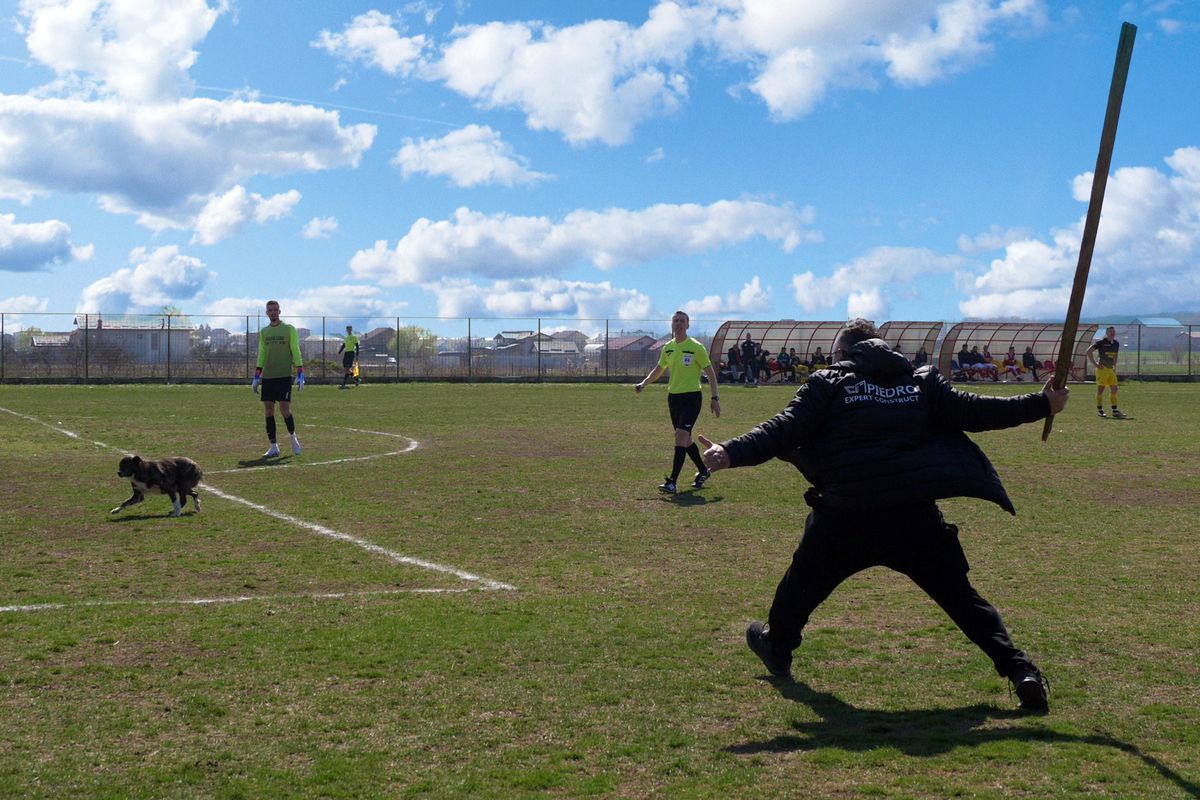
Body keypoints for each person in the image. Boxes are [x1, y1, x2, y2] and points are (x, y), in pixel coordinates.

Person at [695, 318, 1068, 711]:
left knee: (801, 582)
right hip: (912, 514)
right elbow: (977, 411)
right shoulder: (921, 383)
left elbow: (785, 428)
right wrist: (1040, 403)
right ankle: (1019, 670)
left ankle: (778, 647)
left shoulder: (829, 382)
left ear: (843, 353)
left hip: (847, 514)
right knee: (961, 598)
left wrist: (731, 451)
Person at [636, 311, 721, 493]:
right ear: (671, 325)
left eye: (682, 321)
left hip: (692, 398)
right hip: (673, 398)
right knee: (686, 439)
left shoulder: (696, 347)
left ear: (688, 325)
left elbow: (711, 373)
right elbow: (659, 369)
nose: (679, 323)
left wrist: (715, 398)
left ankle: (672, 482)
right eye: (676, 321)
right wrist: (644, 383)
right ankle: (703, 471)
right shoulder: (668, 347)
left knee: (680, 436)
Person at [252, 300, 304, 457]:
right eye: (270, 310)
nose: (273, 312)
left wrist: (300, 372)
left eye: (275, 310)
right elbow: (262, 353)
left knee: (284, 409)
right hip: (268, 377)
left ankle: (293, 438)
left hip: (283, 376)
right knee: (268, 410)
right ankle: (274, 446)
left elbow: (295, 350)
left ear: (279, 311)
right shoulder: (264, 332)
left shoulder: (289, 329)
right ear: (267, 313)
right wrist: (256, 376)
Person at [1086, 326, 1126, 418]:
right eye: (1110, 331)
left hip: (1110, 370)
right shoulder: (1101, 343)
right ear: (1106, 333)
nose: (1112, 333)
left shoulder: (1116, 343)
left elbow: (1115, 355)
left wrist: (1114, 366)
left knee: (1114, 389)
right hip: (1102, 369)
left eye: (1113, 331)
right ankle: (1100, 410)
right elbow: (1088, 352)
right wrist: (1095, 364)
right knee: (1101, 390)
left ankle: (1115, 411)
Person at [337, 324, 361, 388]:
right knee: (346, 369)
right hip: (346, 353)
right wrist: (340, 351)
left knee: (347, 369)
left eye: (350, 329)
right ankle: (357, 379)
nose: (349, 330)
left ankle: (344, 383)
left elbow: (357, 346)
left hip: (351, 353)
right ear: (346, 330)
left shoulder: (354, 337)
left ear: (351, 330)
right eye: (348, 329)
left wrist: (357, 355)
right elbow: (344, 345)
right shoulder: (346, 337)